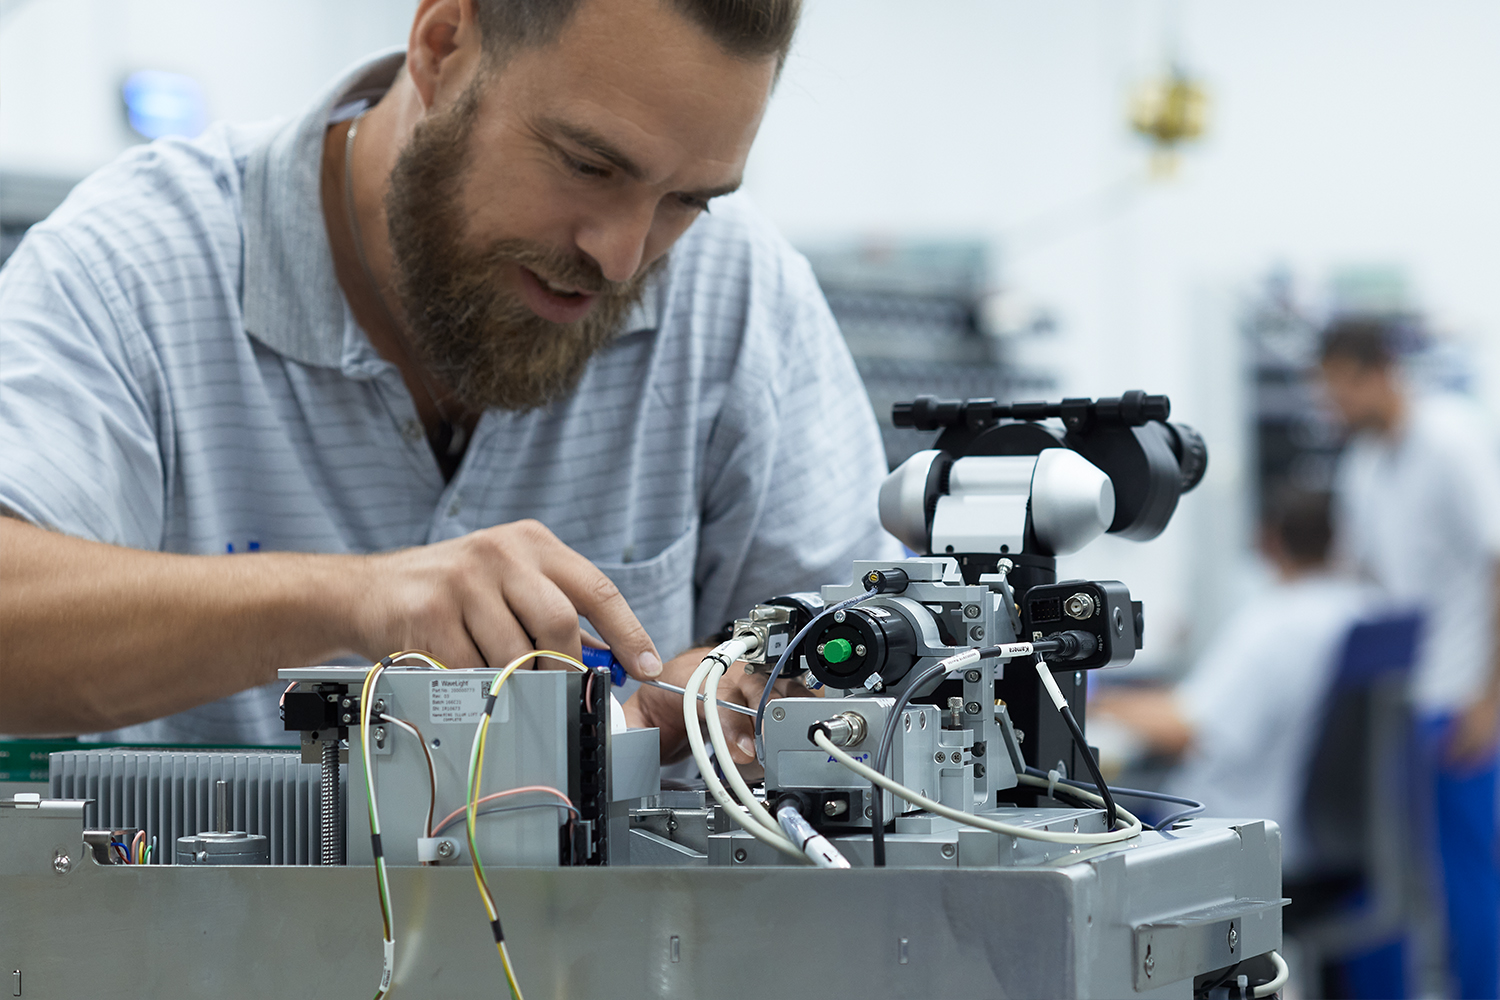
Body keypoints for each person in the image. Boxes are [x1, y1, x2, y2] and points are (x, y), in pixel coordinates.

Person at [0, 0, 900, 771]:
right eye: (589, 164)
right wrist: (346, 599)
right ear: (441, 46)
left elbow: (861, 653)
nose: (621, 256)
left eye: (687, 201)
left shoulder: (739, 299)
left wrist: (694, 703)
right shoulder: (134, 265)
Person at [1321, 318, 1500, 1000]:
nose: (1331, 408)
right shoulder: (1363, 461)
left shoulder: (1452, 439)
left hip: (1456, 700)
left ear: (1379, 375)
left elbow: (1497, 565)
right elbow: (1358, 580)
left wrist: (1489, 700)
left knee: (1462, 877)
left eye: (1339, 391)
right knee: (1379, 879)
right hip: (1389, 701)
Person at [1092, 489, 1371, 873]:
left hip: (1241, 832)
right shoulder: (1365, 610)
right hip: (1341, 836)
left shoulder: (1275, 624)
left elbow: (1188, 731)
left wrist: (1097, 702)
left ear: (1269, 540)